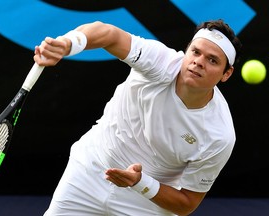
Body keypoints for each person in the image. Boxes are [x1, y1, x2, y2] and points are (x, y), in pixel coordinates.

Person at [34, 19, 242, 216]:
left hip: (146, 201)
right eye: (195, 52)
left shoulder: (219, 135)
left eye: (212, 60)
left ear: (227, 73)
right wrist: (69, 43)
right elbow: (109, 34)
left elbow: (187, 203)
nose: (198, 62)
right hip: (90, 169)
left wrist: (141, 183)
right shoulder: (160, 62)